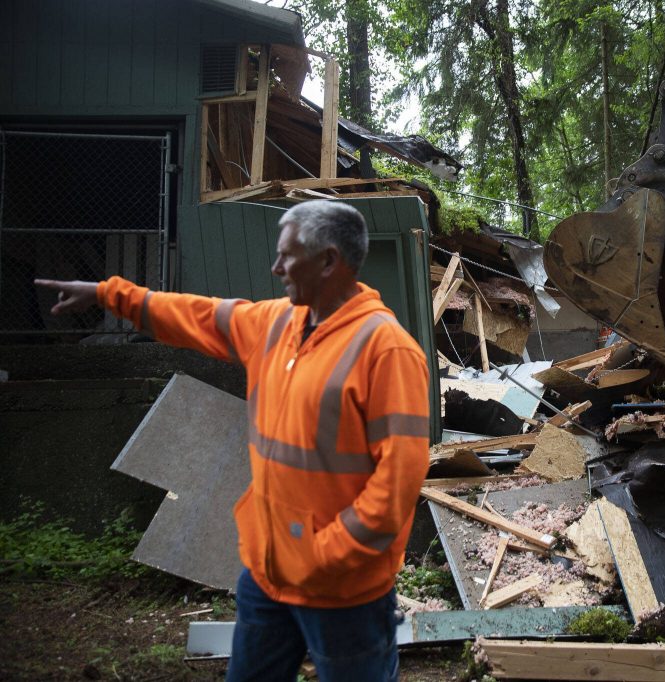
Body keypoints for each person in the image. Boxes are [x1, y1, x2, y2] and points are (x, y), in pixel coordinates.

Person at [36, 200, 431, 682]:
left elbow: (395, 488)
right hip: (268, 576)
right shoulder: (275, 323)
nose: (276, 267)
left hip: (345, 596)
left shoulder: (387, 351)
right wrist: (108, 295)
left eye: (287, 255)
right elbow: (196, 315)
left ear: (329, 261)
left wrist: (319, 557)